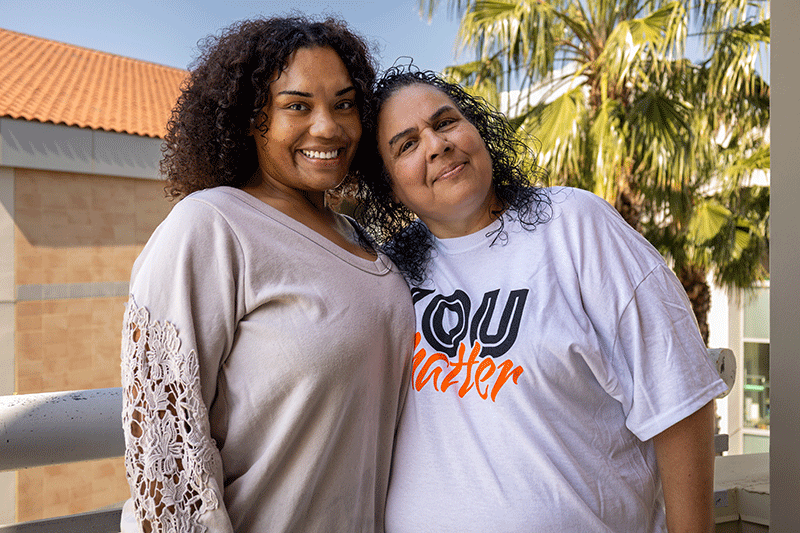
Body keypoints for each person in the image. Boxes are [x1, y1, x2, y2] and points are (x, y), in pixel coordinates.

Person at [356, 66, 728, 533]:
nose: (436, 144)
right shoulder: (388, 274)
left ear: (478, 131)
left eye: (446, 122)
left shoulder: (574, 226)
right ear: (389, 185)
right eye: (406, 144)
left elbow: (679, 396)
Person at [119, 17, 414, 533]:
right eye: (297, 106)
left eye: (344, 104)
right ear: (251, 119)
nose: (328, 127)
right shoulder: (211, 226)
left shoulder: (358, 238)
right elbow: (165, 451)